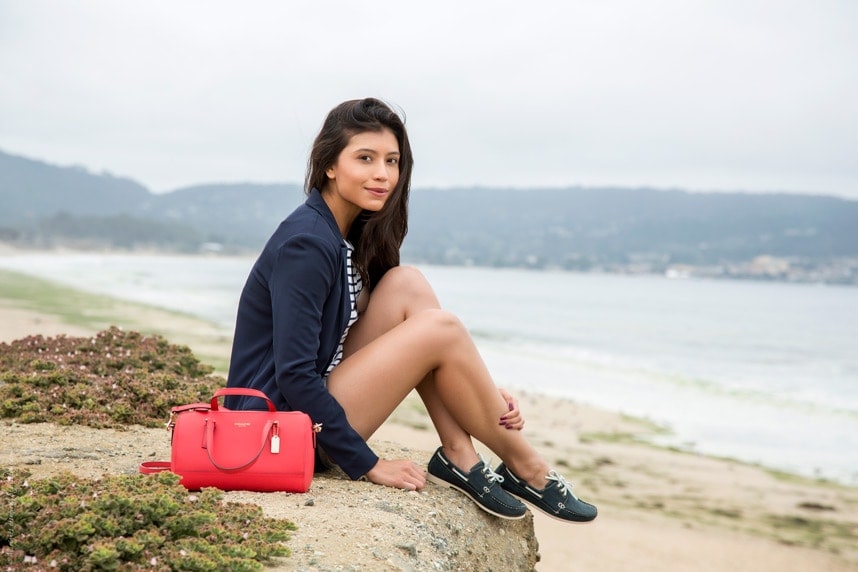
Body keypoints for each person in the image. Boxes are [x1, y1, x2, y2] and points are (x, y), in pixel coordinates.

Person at [225, 97, 597, 523]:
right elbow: (293, 373)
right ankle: (528, 468)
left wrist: (482, 391)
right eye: (365, 158)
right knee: (440, 327)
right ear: (330, 165)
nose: (383, 174)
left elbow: (362, 332)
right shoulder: (307, 244)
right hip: (279, 429)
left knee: (407, 284)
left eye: (392, 160)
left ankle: (460, 454)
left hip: (304, 411)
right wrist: (367, 464)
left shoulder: (343, 232)